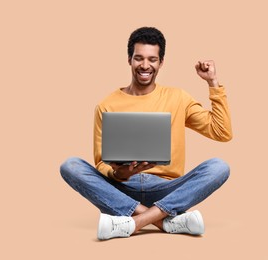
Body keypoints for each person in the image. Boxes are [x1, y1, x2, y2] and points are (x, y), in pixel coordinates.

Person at [60, 27, 232, 240]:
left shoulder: (178, 97)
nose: (145, 65)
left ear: (161, 62)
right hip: (121, 188)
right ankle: (164, 220)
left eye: (152, 59)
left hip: (167, 189)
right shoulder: (107, 105)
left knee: (219, 167)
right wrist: (119, 174)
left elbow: (222, 131)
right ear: (129, 60)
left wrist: (212, 83)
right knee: (71, 166)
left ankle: (133, 222)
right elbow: (101, 164)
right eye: (138, 58)